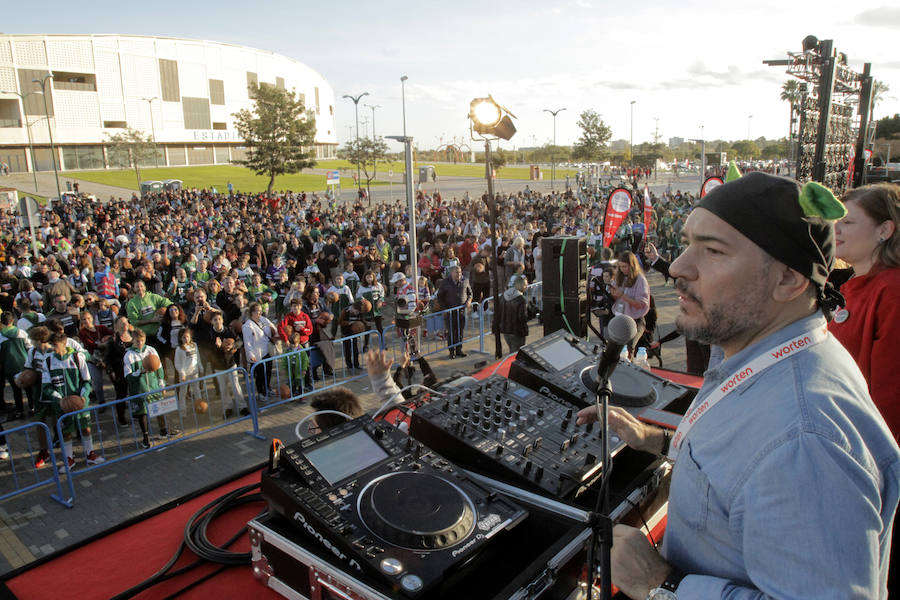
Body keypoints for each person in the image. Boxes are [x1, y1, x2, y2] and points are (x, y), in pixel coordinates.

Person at [577, 172, 900, 599]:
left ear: (788, 280)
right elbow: (742, 466)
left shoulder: (805, 441)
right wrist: (655, 440)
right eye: (689, 243)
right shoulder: (769, 353)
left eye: (712, 250)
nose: (678, 267)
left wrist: (660, 583)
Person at [829, 183, 900, 439]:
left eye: (847, 222)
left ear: (884, 229)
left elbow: (890, 395)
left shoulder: (891, 291)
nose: (835, 229)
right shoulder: (854, 285)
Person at [42, 331, 105, 472]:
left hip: (80, 402)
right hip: (61, 405)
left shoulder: (77, 358)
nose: (52, 347)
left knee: (86, 428)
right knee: (66, 432)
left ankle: (90, 454)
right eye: (51, 344)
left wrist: (83, 397)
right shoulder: (48, 361)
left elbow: (87, 381)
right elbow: (46, 387)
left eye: (55, 344)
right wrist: (60, 400)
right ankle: (69, 459)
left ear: (64, 344)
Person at [610, 251, 650, 354]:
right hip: (619, 317)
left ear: (632, 266)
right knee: (613, 348)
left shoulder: (640, 280)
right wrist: (613, 293)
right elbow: (617, 298)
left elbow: (641, 304)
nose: (623, 270)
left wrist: (622, 296)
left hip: (634, 320)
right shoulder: (620, 277)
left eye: (625, 267)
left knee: (628, 349)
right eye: (621, 267)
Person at [242, 301, 277, 400]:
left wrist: (275, 334)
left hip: (267, 350)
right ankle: (261, 392)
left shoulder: (263, 319)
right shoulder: (247, 326)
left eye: (261, 311)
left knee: (268, 371)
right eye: (257, 312)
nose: (260, 313)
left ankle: (268, 387)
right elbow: (247, 342)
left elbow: (273, 328)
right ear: (252, 313)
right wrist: (251, 355)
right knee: (260, 374)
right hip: (257, 354)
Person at [435, 265, 472, 358]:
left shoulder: (465, 280)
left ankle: (459, 349)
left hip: (462, 311)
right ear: (451, 273)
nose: (459, 274)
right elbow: (440, 296)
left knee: (460, 332)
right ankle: (452, 351)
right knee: (451, 332)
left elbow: (470, 293)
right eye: (456, 272)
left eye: (460, 272)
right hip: (450, 312)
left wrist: (468, 301)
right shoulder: (445, 282)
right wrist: (445, 309)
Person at [498, 275, 528, 354]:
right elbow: (522, 317)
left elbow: (499, 312)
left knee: (512, 351)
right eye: (525, 284)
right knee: (516, 354)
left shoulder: (503, 296)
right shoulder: (521, 299)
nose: (526, 286)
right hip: (517, 331)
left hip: (506, 330)